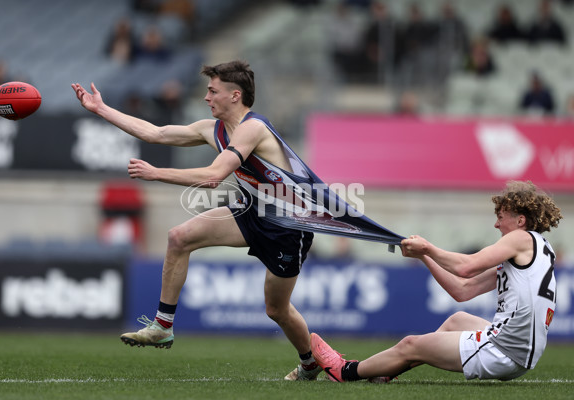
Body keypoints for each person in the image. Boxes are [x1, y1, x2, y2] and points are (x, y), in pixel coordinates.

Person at [71, 60, 322, 381]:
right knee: (180, 237)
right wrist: (101, 109)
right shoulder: (211, 129)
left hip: (289, 225)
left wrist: (156, 173)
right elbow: (155, 133)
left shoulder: (253, 128)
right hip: (252, 212)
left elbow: (214, 175)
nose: (206, 97)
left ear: (235, 95)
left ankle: (310, 363)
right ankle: (162, 326)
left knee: (276, 309)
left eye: (212, 90)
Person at [311, 180, 562, 382]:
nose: (496, 224)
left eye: (502, 217)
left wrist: (428, 247)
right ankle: (387, 370)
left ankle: (345, 372)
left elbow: (466, 268)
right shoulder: (538, 250)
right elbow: (462, 290)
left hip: (503, 350)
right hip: (522, 351)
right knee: (457, 320)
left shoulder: (520, 238)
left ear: (521, 221)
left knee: (410, 343)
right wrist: (424, 257)